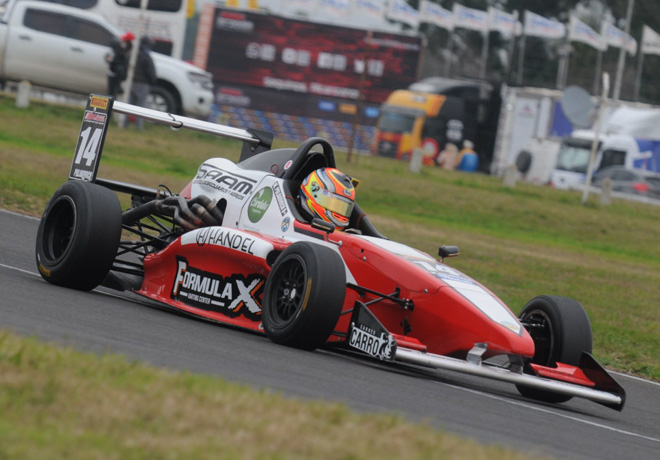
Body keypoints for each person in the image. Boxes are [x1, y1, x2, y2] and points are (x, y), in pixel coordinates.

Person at [126, 36, 157, 130]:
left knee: (128, 106)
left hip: (132, 82)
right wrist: (152, 81)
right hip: (143, 84)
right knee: (140, 107)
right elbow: (151, 71)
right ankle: (138, 127)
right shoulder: (147, 55)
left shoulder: (133, 53)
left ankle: (124, 124)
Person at [106, 32, 133, 98]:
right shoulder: (118, 47)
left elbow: (123, 60)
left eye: (124, 40)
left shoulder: (128, 50)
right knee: (111, 92)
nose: (122, 41)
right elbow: (110, 56)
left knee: (113, 93)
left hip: (119, 74)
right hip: (113, 72)